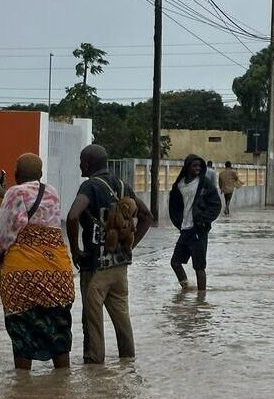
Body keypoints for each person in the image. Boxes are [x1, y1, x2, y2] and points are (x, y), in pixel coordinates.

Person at [67, 144, 152, 364]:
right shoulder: (123, 186)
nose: (79, 165)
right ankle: (128, 364)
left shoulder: (90, 187)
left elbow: (72, 217)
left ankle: (95, 372)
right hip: (120, 267)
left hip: (95, 268)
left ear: (89, 163)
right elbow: (147, 216)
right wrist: (130, 248)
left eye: (81, 161)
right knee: (122, 319)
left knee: (92, 323)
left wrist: (75, 251)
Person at [0, 154, 75, 370]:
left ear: (15, 174)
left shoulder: (14, 193)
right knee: (60, 336)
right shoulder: (51, 192)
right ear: (41, 175)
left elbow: (5, 234)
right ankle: (63, 387)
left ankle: (23, 391)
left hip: (22, 276)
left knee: (22, 336)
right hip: (58, 274)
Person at [169, 154, 222, 291]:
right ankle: (186, 288)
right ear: (187, 167)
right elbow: (173, 207)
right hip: (185, 230)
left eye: (199, 166)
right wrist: (178, 222)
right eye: (194, 166)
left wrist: (203, 221)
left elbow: (216, 205)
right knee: (175, 262)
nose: (197, 168)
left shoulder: (205, 184)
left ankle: (201, 298)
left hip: (198, 230)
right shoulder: (179, 185)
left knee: (199, 266)